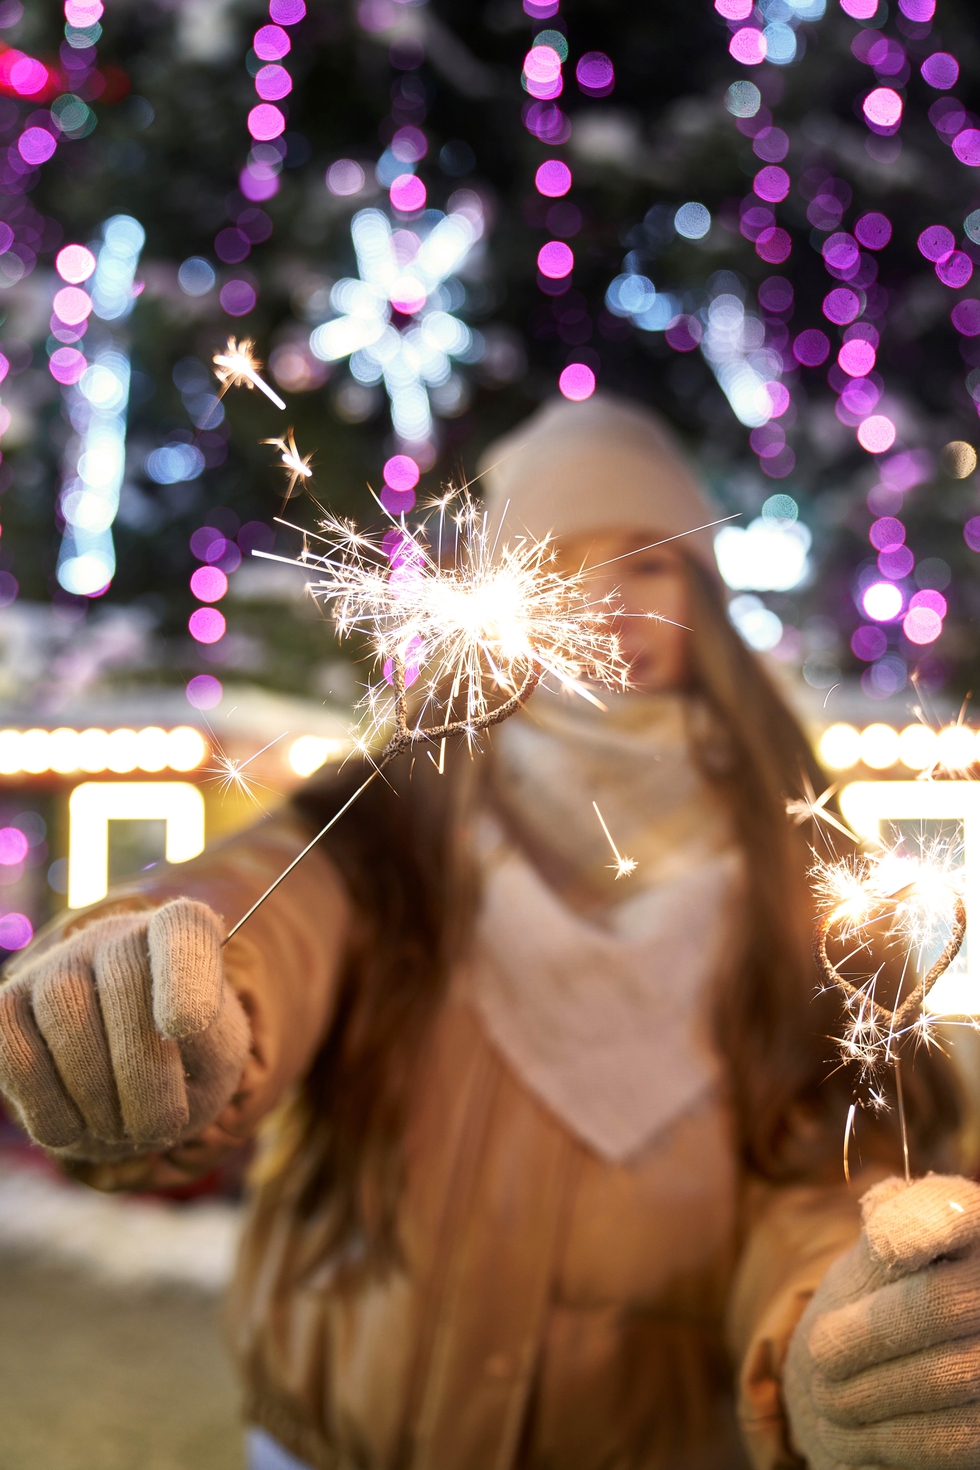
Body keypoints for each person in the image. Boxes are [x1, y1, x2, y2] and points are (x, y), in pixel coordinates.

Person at [0, 394, 976, 1470]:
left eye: (648, 560)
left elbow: (825, 1162)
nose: (612, 600)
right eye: (566, 557)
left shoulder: (801, 865)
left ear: (700, 590)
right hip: (339, 1445)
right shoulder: (389, 819)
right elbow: (258, 907)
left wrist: (826, 1342)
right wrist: (157, 986)